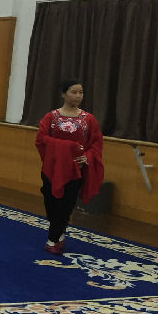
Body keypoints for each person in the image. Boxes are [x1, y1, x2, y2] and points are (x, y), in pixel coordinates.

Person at [35, 79, 105, 255]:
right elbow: (41, 140)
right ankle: (59, 231)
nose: (78, 96)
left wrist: (87, 156)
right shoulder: (51, 117)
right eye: (74, 92)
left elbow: (96, 143)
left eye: (81, 92)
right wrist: (66, 149)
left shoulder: (88, 119)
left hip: (75, 171)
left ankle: (53, 240)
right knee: (51, 203)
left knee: (65, 205)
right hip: (52, 169)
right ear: (63, 94)